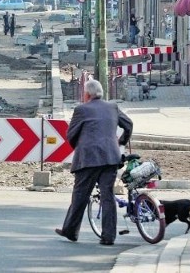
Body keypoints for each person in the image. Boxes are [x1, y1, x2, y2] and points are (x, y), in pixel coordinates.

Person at [55, 78, 133, 246]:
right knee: (108, 196)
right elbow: (129, 125)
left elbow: (71, 135)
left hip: (88, 158)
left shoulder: (81, 109)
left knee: (80, 195)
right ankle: (108, 236)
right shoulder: (112, 107)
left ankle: (70, 231)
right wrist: (121, 142)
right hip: (111, 158)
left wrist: (81, 146)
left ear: (87, 94)